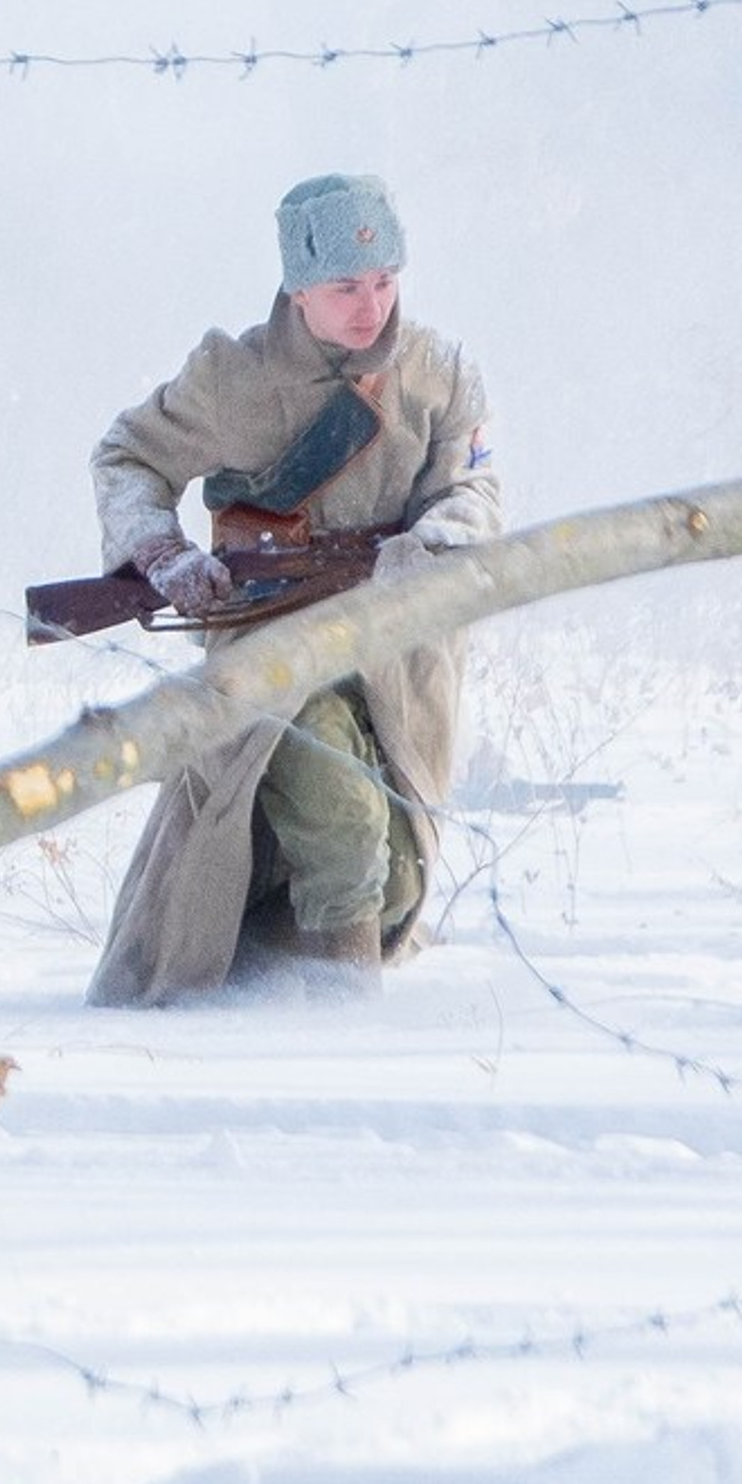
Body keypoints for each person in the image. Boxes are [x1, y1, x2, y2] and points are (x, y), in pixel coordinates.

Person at [85, 175, 499, 1006]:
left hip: (396, 654)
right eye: (346, 287)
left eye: (385, 282)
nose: (370, 306)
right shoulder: (229, 377)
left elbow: (473, 491)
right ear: (298, 286)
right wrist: (161, 551)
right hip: (270, 646)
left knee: (396, 869)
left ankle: (276, 983)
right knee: (344, 828)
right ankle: (338, 1025)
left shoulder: (440, 373)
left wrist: (435, 541)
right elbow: (128, 458)